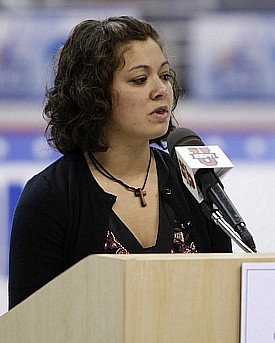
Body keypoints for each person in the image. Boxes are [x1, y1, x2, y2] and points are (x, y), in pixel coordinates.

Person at [8, 16, 232, 309]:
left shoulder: (194, 181)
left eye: (164, 76)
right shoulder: (50, 196)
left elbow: (226, 301)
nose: (161, 89)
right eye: (140, 79)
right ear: (94, 94)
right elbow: (26, 326)